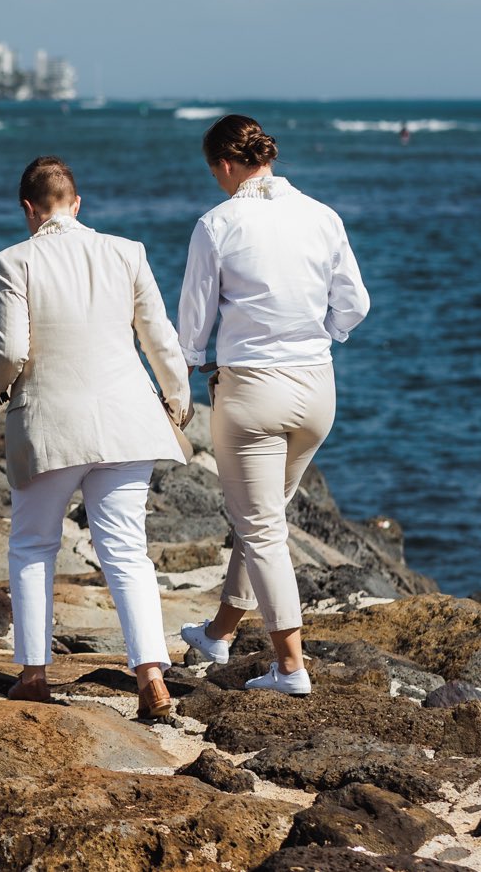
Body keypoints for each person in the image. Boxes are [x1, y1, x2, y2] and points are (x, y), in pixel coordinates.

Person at [0, 156, 192, 720]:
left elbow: (11, 353)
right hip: (128, 422)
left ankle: (35, 674)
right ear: (77, 203)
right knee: (127, 553)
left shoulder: (12, 261)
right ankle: (151, 678)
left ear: (27, 209)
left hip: (51, 427)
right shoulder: (127, 252)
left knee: (34, 545)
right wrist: (178, 396)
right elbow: (159, 337)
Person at [175, 114, 370, 696]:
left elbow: (193, 320)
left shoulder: (218, 223)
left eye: (214, 170)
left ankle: (290, 668)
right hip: (316, 390)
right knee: (263, 516)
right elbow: (354, 305)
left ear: (227, 165)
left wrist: (184, 369)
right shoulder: (322, 216)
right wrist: (314, 335)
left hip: (253, 391)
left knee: (259, 527)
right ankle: (218, 633)